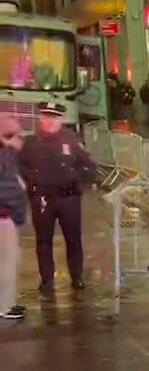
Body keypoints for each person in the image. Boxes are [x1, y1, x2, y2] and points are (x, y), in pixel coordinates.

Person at [18, 102, 97, 294]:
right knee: (43, 241)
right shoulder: (30, 143)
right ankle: (47, 280)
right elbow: (20, 166)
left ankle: (77, 277)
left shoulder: (71, 140)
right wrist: (31, 182)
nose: (49, 121)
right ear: (40, 119)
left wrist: (81, 182)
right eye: (45, 117)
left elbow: (88, 165)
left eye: (53, 117)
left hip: (68, 198)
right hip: (43, 199)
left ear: (60, 119)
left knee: (73, 240)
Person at [0, 117, 25, 320]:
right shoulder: (3, 156)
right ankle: (5, 306)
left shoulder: (7, 153)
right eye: (11, 135)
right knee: (6, 263)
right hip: (3, 216)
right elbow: (7, 189)